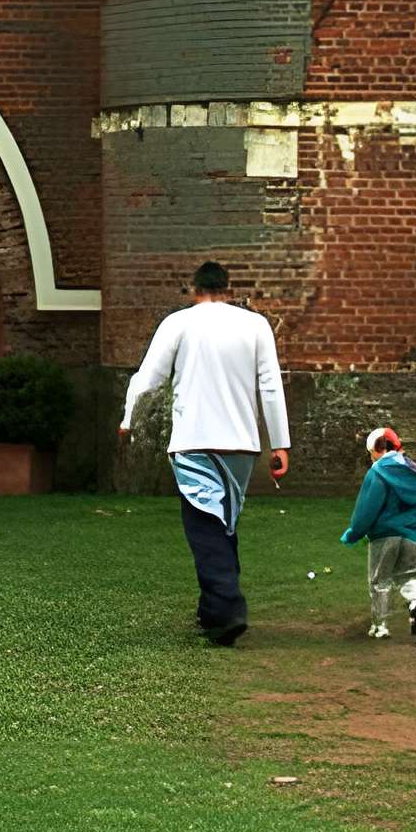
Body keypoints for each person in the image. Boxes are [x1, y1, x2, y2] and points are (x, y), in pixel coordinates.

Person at [119, 259, 289, 645]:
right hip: (241, 445)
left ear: (194, 289)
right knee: (223, 523)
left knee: (206, 526)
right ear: (228, 289)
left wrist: (129, 418)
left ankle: (227, 608)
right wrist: (280, 443)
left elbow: (148, 378)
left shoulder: (178, 324)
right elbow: (271, 386)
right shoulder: (255, 326)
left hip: (194, 442)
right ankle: (212, 608)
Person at [340, 425, 416, 639]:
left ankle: (380, 627)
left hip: (384, 534)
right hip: (412, 534)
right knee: (410, 575)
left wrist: (354, 532)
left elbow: (367, 509)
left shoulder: (378, 472)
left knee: (380, 581)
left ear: (376, 448)